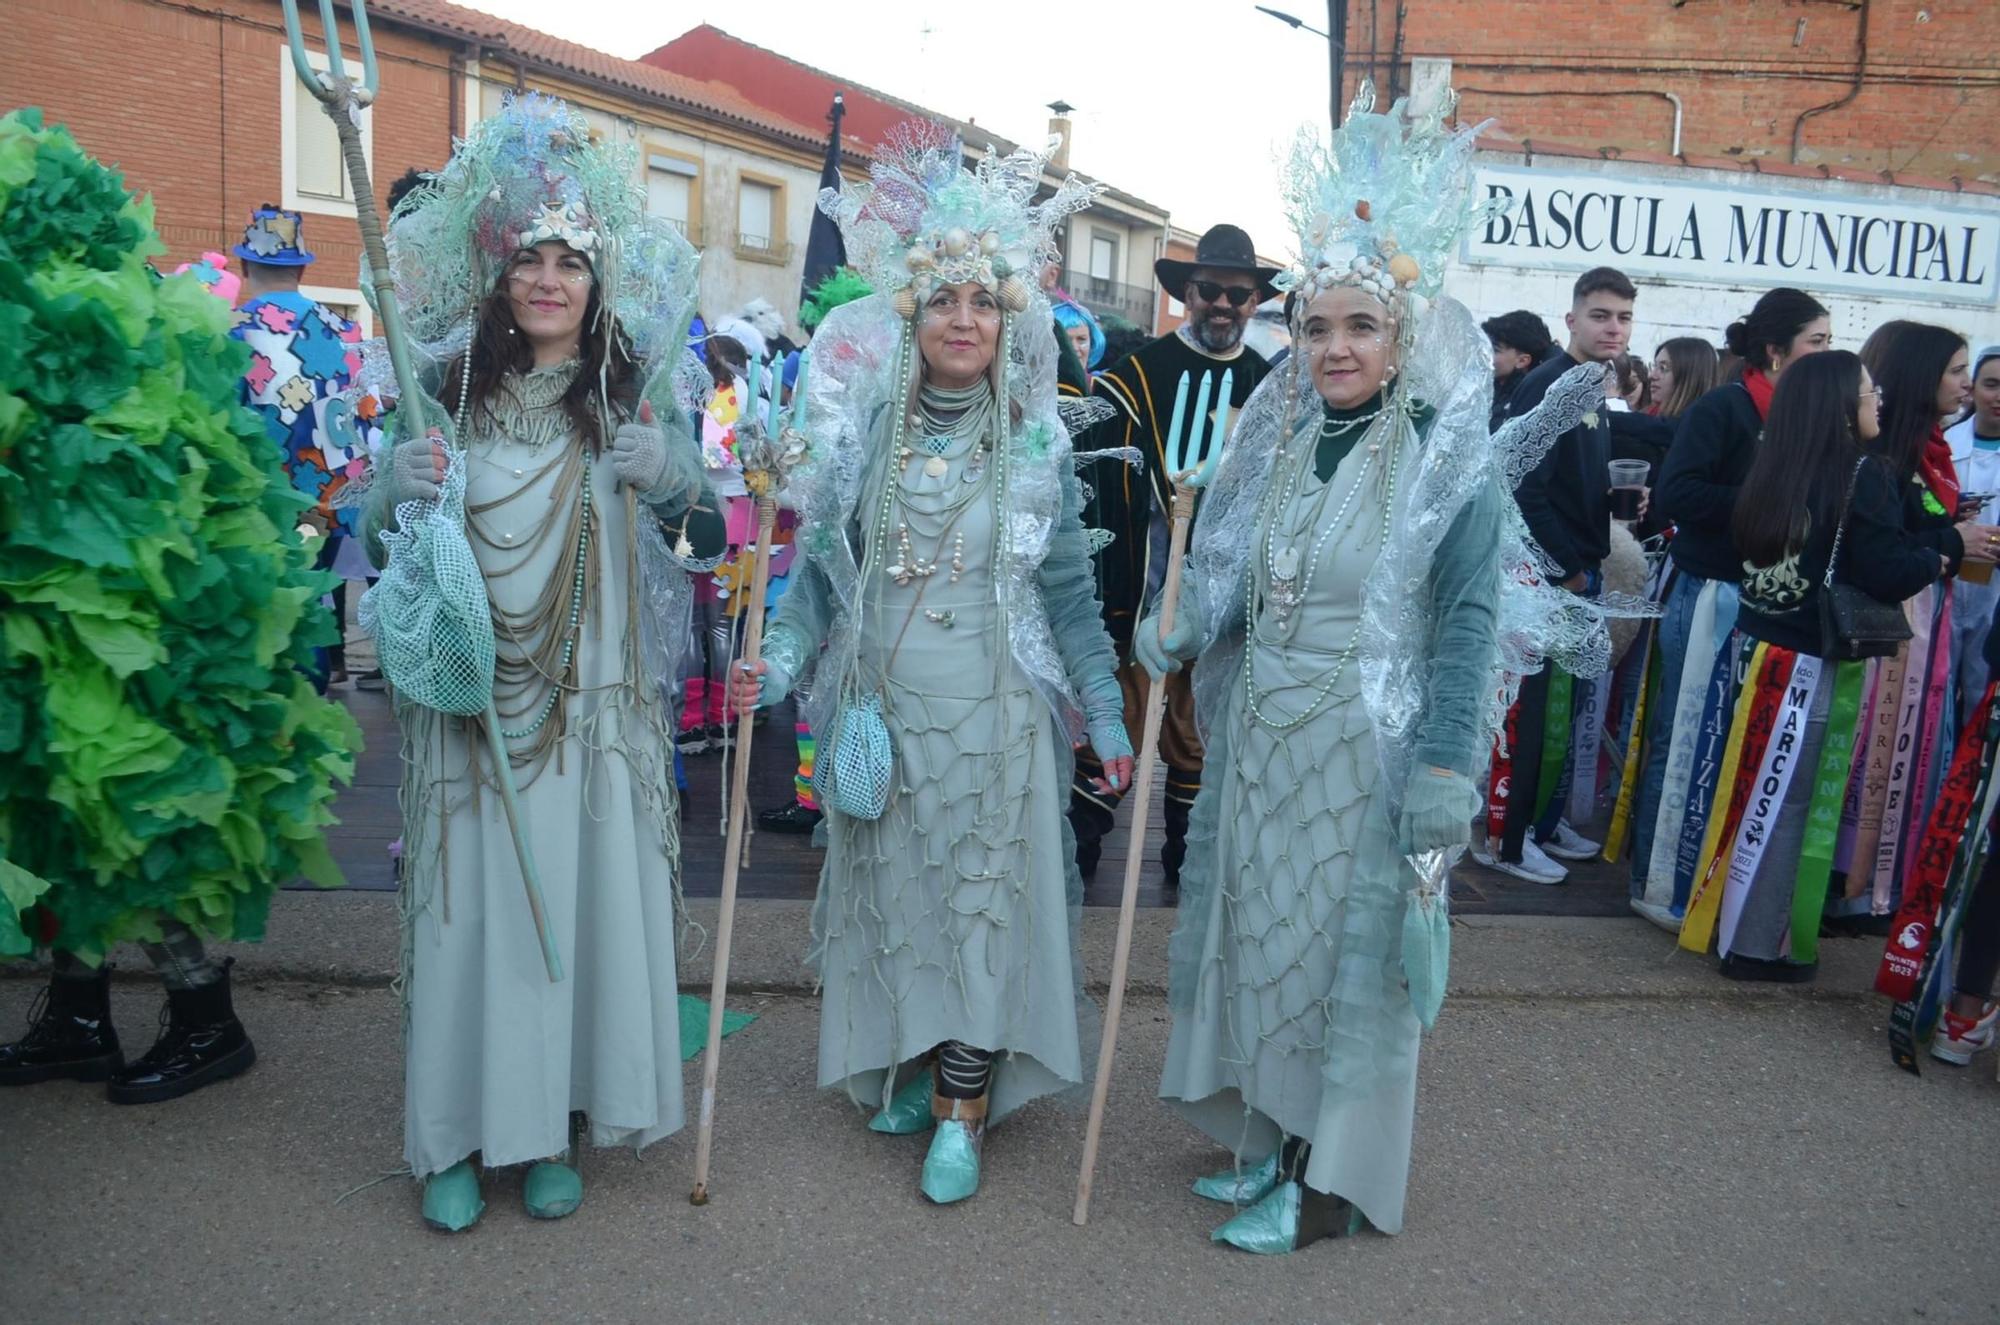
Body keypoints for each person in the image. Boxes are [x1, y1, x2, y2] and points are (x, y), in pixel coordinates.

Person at [1139, 82, 1608, 1252]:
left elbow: (1462, 622)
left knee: (1342, 962)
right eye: (1316, 326)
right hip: (1267, 745)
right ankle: (1275, 1137)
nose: (1335, 347)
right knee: (1267, 940)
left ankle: (1330, 1183)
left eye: (1360, 326)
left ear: (1401, 336)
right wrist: (1187, 627)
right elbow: (1250, 582)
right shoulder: (1285, 443)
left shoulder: (1444, 462)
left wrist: (1446, 763)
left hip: (1367, 757)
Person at [731, 123, 1131, 1205]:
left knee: (978, 908)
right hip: (881, 717)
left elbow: (1069, 602)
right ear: (913, 313)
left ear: (1010, 322)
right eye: (945, 299)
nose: (964, 319)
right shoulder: (863, 439)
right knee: (901, 903)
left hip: (995, 723)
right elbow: (820, 579)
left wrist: (1104, 708)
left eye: (983, 303)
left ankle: (963, 1100)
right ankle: (917, 1055)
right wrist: (773, 660)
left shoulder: (1039, 447)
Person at [366, 95, 723, 1231]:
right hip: (470, 711)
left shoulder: (632, 392)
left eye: (573, 259)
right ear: (498, 271)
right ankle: (456, 1136)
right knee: (473, 919)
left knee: (570, 918)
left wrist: (671, 471)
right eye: (531, 257)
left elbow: (709, 536)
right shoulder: (443, 393)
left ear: (597, 278)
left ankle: (558, 1126)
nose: (551, 279)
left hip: (591, 714)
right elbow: (381, 534)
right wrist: (396, 486)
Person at [0, 112, 355, 1105]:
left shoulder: (180, 324)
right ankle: (80, 1011)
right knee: (67, 800)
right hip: (276, 550)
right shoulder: (333, 338)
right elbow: (348, 444)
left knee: (122, 799)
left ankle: (197, 1013)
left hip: (153, 577)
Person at [1673, 351, 1956, 981]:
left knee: (1746, 791)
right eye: (1864, 392)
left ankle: (1733, 926)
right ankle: (1756, 946)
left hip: (1757, 647)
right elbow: (1887, 569)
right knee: (1787, 800)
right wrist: (1943, 553)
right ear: (1839, 407)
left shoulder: (1771, 465)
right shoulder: (1865, 474)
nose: (1875, 401)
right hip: (1808, 661)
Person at [1067, 223, 1279, 892]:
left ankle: (1185, 880)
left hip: (1219, 600)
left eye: (1237, 295)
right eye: (1209, 289)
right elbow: (1097, 486)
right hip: (1140, 585)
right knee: (1120, 727)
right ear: (1188, 293)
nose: (1223, 304)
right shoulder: (1137, 375)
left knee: (1196, 737)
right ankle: (1075, 872)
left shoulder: (1270, 387)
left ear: (1253, 303)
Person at [1628, 289, 1830, 926]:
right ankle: (1658, 882)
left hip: (1769, 606)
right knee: (1682, 735)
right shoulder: (1724, 408)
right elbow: (1678, 495)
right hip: (1710, 593)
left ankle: (1708, 882)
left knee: (1735, 746)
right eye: (1816, 343)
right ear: (1775, 351)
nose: (1826, 354)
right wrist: (1762, 500)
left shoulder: (1807, 418)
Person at [1473, 265, 1635, 884]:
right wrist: (1563, 568)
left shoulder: (1591, 381)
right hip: (1542, 580)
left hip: (1574, 571)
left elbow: (1572, 478)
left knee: (1562, 711)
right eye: (1600, 315)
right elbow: (1520, 485)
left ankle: (1539, 823)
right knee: (1530, 715)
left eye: (1622, 317)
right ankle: (1508, 841)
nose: (1613, 327)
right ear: (1572, 319)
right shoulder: (1550, 382)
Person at [1845, 322, 1991, 922]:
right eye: (1957, 371)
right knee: (1876, 755)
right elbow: (1883, 552)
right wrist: (1953, 541)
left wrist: (1952, 535)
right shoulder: (1883, 458)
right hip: (1890, 631)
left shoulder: (1931, 447)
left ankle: (1879, 883)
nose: (1966, 384)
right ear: (1919, 376)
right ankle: (1853, 887)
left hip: (1927, 624)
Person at [227, 205, 369, 689]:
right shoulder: (347, 332)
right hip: (329, 501)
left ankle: (278, 717)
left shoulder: (233, 332)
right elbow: (366, 419)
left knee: (262, 605)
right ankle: (310, 712)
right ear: (304, 268)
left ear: (245, 267)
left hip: (258, 502)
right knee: (311, 595)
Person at [1947, 345, 2000, 702]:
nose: (1999, 397)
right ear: (1972, 387)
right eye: (1991, 384)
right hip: (1945, 585)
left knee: (1984, 696)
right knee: (1937, 690)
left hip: (1995, 592)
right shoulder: (1943, 446)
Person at [1482, 309, 1556, 431]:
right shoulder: (1489, 385)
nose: (1485, 354)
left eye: (1495, 350)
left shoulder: (1528, 403)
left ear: (1522, 361)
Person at [1650, 336, 1720, 421]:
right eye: (1654, 366)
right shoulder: (1650, 418)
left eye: (1663, 368)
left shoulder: (1698, 429)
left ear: (1691, 376)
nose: (1652, 376)